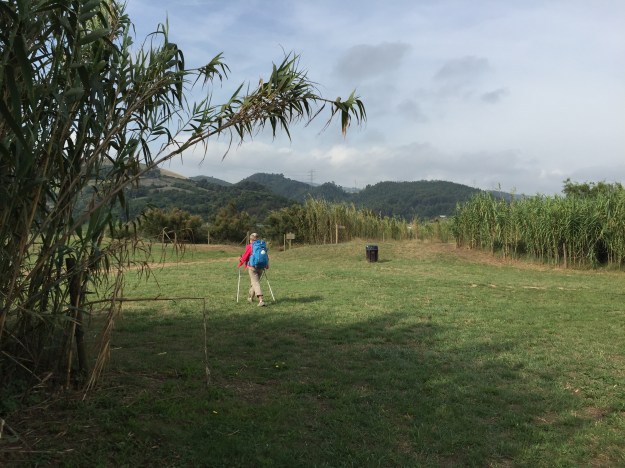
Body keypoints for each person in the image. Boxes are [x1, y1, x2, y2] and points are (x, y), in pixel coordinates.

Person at [237, 233, 268, 307]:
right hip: (261, 266)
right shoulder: (262, 245)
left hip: (252, 267)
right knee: (255, 282)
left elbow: (245, 256)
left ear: (250, 239)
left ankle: (261, 300)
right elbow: (266, 256)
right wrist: (266, 265)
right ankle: (250, 297)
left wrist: (240, 261)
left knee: (255, 283)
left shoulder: (250, 246)